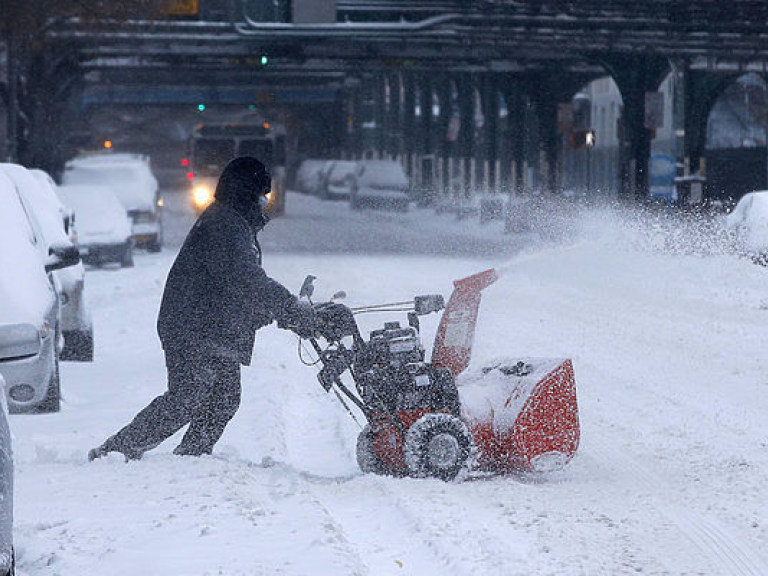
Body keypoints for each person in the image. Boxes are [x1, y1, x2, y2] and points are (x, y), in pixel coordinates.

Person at [88, 156, 315, 461]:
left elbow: (233, 289)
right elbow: (248, 280)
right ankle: (117, 450)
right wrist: (288, 308)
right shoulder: (225, 225)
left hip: (208, 326)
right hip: (191, 327)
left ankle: (190, 456)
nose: (265, 202)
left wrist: (280, 313)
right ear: (248, 192)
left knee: (223, 399)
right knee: (186, 398)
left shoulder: (232, 222)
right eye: (263, 194)